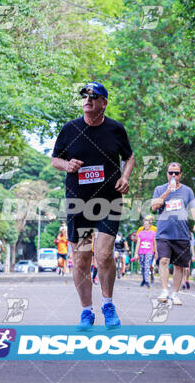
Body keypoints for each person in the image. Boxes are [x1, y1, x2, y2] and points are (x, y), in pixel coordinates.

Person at [51, 81, 135, 330]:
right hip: (79, 203)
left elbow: (129, 156)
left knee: (104, 254)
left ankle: (108, 305)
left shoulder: (115, 129)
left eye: (94, 96)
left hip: (108, 201)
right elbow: (55, 158)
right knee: (81, 259)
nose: (88, 100)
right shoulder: (70, 129)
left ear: (103, 103)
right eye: (85, 96)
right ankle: (86, 311)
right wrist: (67, 166)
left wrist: (125, 177)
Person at [151, 162, 195, 305]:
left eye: (176, 173)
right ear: (166, 174)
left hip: (182, 233)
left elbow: (194, 209)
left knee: (179, 266)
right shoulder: (159, 189)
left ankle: (175, 294)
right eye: (170, 173)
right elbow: (154, 207)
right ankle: (164, 291)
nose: (173, 175)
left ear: (181, 174)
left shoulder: (188, 191)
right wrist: (167, 191)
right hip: (163, 233)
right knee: (164, 261)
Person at [135, 215, 157, 283]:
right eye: (147, 220)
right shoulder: (141, 229)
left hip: (151, 250)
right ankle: (145, 278)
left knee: (150, 265)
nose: (149, 221)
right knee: (143, 265)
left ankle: (151, 275)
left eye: (150, 220)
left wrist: (156, 251)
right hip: (142, 250)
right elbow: (137, 238)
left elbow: (156, 240)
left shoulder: (155, 229)